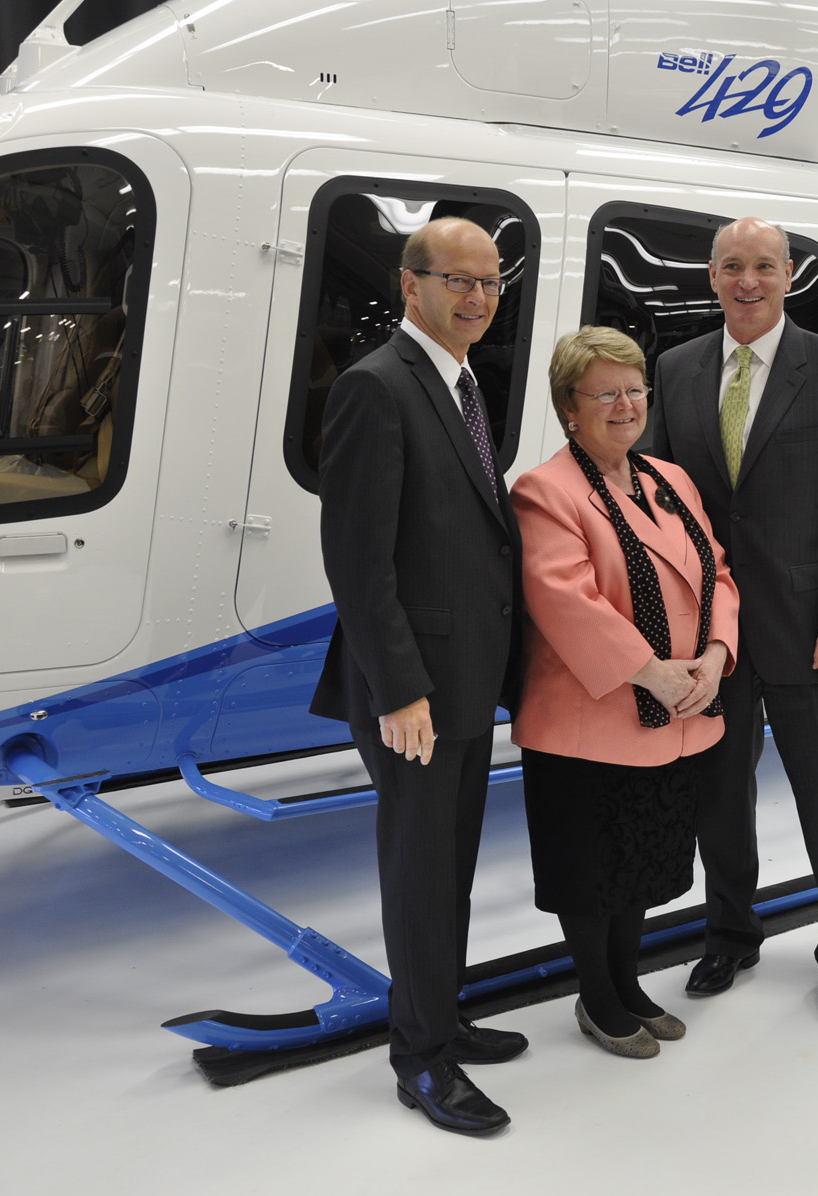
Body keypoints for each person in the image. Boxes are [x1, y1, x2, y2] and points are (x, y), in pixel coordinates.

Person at [309, 217, 526, 1134]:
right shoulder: (376, 388)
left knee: (452, 868)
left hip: (464, 681)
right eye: (457, 280)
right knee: (420, 868)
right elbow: (357, 562)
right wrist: (399, 689)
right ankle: (424, 1062)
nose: (476, 297)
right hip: (417, 694)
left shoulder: (463, 382)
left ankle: (441, 1011)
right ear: (411, 285)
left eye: (489, 283)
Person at [654, 216, 818, 1017]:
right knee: (716, 799)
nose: (747, 282)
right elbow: (656, 506)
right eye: (731, 268)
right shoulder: (675, 369)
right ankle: (728, 935)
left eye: (763, 266)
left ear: (790, 275)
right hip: (709, 637)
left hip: (809, 629)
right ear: (711, 278)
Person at [511, 326, 740, 1058]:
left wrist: (713, 656)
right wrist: (655, 673)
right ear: (568, 407)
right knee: (592, 870)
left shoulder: (671, 480)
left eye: (635, 390)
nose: (624, 404)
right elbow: (564, 599)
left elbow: (719, 578)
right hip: (592, 717)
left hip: (675, 711)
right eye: (604, 392)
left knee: (642, 863)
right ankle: (598, 997)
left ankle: (629, 982)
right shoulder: (546, 490)